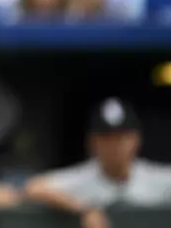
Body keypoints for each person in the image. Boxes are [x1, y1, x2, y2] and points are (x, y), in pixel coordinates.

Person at [25, 97, 171, 228]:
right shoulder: (84, 177)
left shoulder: (153, 177)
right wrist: (85, 209)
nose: (114, 147)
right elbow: (34, 187)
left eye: (120, 138)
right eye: (106, 139)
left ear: (136, 140)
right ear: (92, 142)